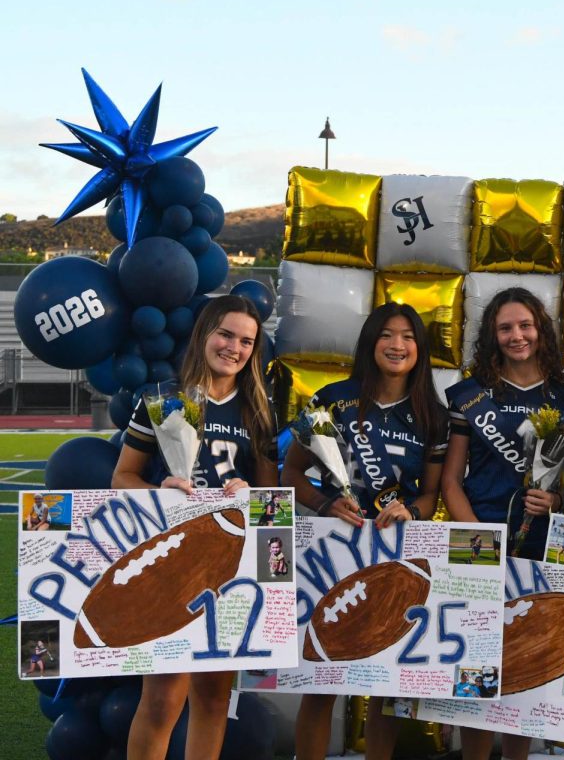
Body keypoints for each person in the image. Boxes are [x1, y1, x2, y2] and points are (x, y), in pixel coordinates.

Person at [113, 295, 277, 760]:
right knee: (162, 700)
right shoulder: (164, 399)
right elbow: (121, 477)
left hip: (229, 567)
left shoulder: (259, 411)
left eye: (247, 341)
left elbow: (272, 501)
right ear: (204, 333)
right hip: (170, 563)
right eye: (226, 334)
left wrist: (251, 495)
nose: (234, 347)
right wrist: (161, 492)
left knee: (212, 697)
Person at [285, 302, 448, 760]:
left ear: (420, 349)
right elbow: (291, 474)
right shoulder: (332, 399)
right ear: (370, 342)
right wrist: (323, 501)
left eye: (408, 337)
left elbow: (433, 495)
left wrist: (410, 510)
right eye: (387, 335)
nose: (397, 345)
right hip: (333, 553)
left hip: (397, 555)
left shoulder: (433, 414)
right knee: (322, 680)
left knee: (387, 680)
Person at [442, 288, 564, 760]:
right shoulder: (470, 396)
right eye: (505, 328)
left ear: (540, 329)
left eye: (525, 325)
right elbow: (450, 481)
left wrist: (559, 498)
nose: (516, 336)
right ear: (492, 335)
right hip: (478, 540)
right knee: (476, 667)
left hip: (542, 549)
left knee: (526, 664)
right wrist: (476, 542)